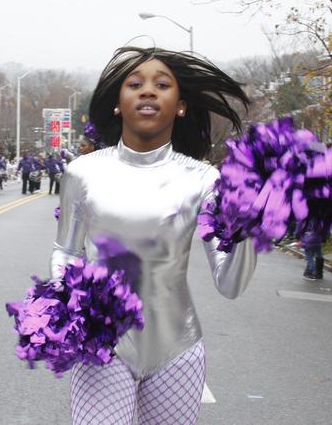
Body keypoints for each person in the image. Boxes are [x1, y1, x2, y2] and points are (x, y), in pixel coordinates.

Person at [50, 46, 256, 424]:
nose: (148, 91)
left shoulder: (204, 180)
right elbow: (66, 249)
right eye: (135, 84)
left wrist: (249, 229)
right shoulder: (82, 173)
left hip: (176, 351)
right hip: (102, 346)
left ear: (180, 105)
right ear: (118, 103)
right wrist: (69, 299)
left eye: (162, 84)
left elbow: (229, 284)